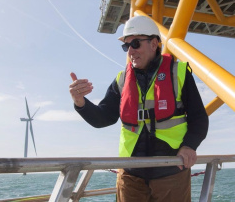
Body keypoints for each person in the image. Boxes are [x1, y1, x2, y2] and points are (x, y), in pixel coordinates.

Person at [69, 15, 209, 202]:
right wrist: (80, 102)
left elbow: (199, 117)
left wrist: (190, 146)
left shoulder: (179, 73)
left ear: (153, 43)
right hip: (130, 174)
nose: (130, 51)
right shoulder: (121, 80)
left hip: (171, 171)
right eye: (126, 46)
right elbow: (103, 118)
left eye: (135, 43)